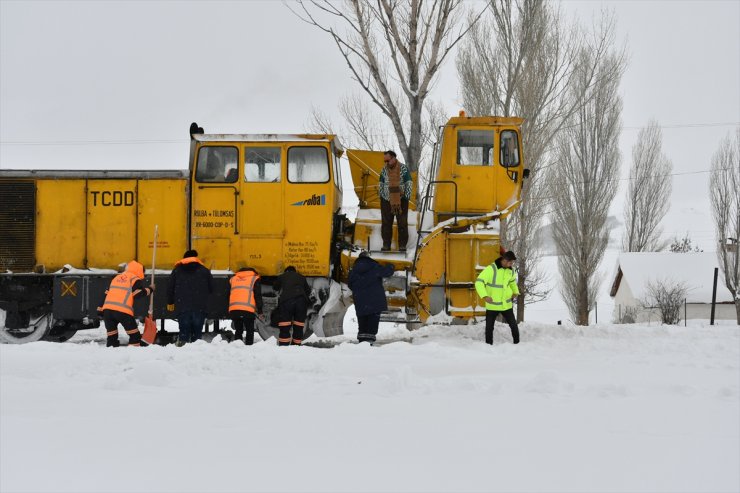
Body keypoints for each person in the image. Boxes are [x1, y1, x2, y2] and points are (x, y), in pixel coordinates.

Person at [99, 260, 154, 347]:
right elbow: (137, 294)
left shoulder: (116, 278)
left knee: (112, 337)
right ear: (140, 270)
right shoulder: (135, 279)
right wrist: (150, 289)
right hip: (122, 311)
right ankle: (132, 355)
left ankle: (111, 355)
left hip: (108, 311)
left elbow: (106, 294)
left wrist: (100, 309)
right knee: (134, 336)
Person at [167, 249, 214, 346]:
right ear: (196, 258)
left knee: (184, 332)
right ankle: (196, 354)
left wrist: (170, 302)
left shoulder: (177, 270)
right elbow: (212, 288)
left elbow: (170, 287)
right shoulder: (204, 270)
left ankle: (183, 352)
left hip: (183, 306)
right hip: (199, 307)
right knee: (197, 334)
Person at [474, 250, 520, 345]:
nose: (512, 264)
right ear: (504, 260)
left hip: (506, 304)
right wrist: (485, 296)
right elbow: (479, 282)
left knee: (514, 325)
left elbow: (512, 282)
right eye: (510, 262)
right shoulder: (491, 269)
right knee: (489, 328)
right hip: (493, 305)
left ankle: (517, 344)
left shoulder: (511, 270)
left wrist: (515, 291)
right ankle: (488, 345)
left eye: (512, 262)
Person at [348, 251, 394, 344]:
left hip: (360, 301)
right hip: (375, 300)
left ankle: (362, 340)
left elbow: (350, 285)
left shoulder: (354, 271)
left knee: (362, 320)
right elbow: (387, 272)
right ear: (368, 258)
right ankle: (369, 341)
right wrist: (391, 266)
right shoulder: (374, 267)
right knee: (372, 320)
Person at [378, 150, 413, 252]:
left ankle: (402, 246)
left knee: (402, 223)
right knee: (386, 224)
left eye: (388, 160)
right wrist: (382, 196)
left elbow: (409, 183)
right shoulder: (384, 170)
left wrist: (406, 198)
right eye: (385, 161)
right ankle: (386, 245)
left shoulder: (403, 168)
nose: (386, 163)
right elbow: (380, 183)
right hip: (386, 200)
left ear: (393, 158)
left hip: (401, 201)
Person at [273, 266, 311, 346]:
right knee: (298, 325)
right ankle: (296, 345)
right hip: (301, 302)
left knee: (285, 324)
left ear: (286, 271)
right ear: (295, 271)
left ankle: (284, 345)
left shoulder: (282, 276)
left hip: (287, 301)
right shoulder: (302, 277)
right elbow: (308, 291)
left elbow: (275, 287)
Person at [228, 266, 264, 345]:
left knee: (238, 330)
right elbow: (257, 295)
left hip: (234, 309)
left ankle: (238, 346)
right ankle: (248, 347)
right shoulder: (254, 279)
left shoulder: (233, 279)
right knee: (249, 330)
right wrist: (260, 311)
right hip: (247, 309)